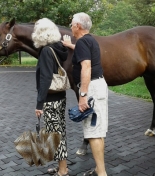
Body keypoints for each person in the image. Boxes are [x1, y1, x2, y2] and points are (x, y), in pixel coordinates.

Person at [62, 12, 108, 176]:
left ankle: (102, 173)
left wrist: (82, 95)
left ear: (78, 26)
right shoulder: (90, 41)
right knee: (99, 131)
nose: (71, 28)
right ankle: (98, 170)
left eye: (72, 25)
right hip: (100, 86)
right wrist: (71, 46)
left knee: (93, 133)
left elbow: (86, 67)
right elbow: (85, 53)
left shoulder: (82, 42)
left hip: (91, 89)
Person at [32, 18, 69, 176]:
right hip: (60, 97)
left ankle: (62, 171)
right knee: (60, 133)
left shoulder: (47, 50)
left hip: (51, 100)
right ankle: (63, 167)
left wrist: (39, 104)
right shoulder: (58, 47)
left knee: (56, 136)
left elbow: (46, 78)